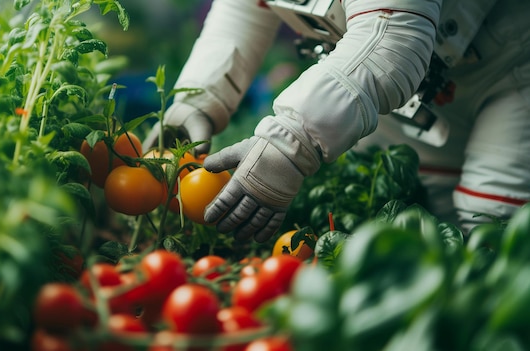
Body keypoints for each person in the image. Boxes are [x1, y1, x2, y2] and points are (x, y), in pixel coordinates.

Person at [142, 0, 530, 242]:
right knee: (411, 215)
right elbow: (242, 10)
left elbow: (391, 44)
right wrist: (197, 98)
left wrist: (289, 145)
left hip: (512, 74)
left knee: (494, 227)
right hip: (417, 83)